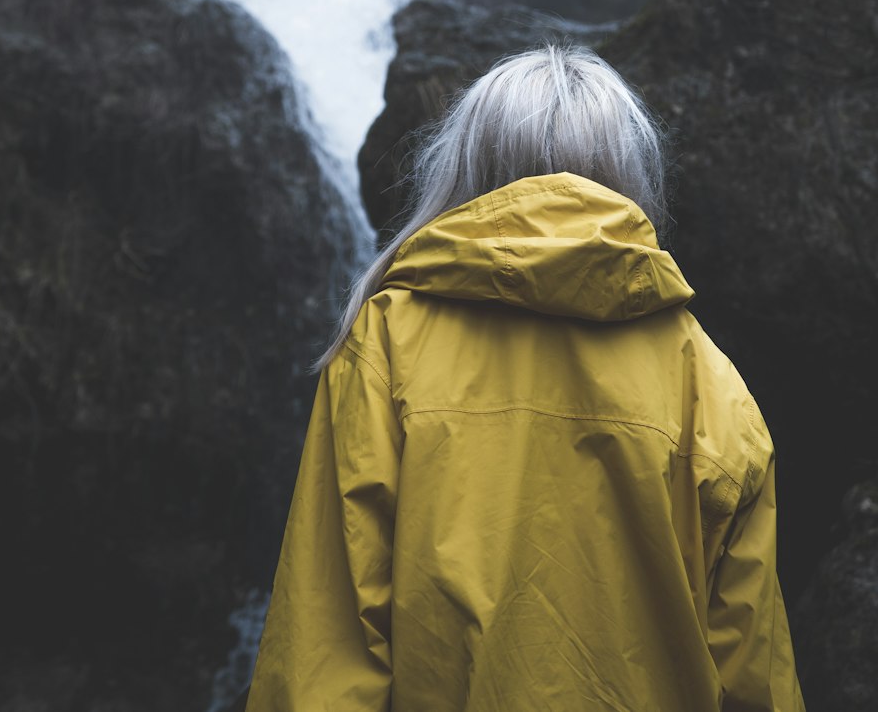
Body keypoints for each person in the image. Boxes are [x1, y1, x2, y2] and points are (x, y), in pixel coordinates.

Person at [246, 45, 805, 711]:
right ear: (629, 176)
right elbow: (753, 672)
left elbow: (324, 651)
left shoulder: (387, 341)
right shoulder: (709, 380)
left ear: (465, 170)